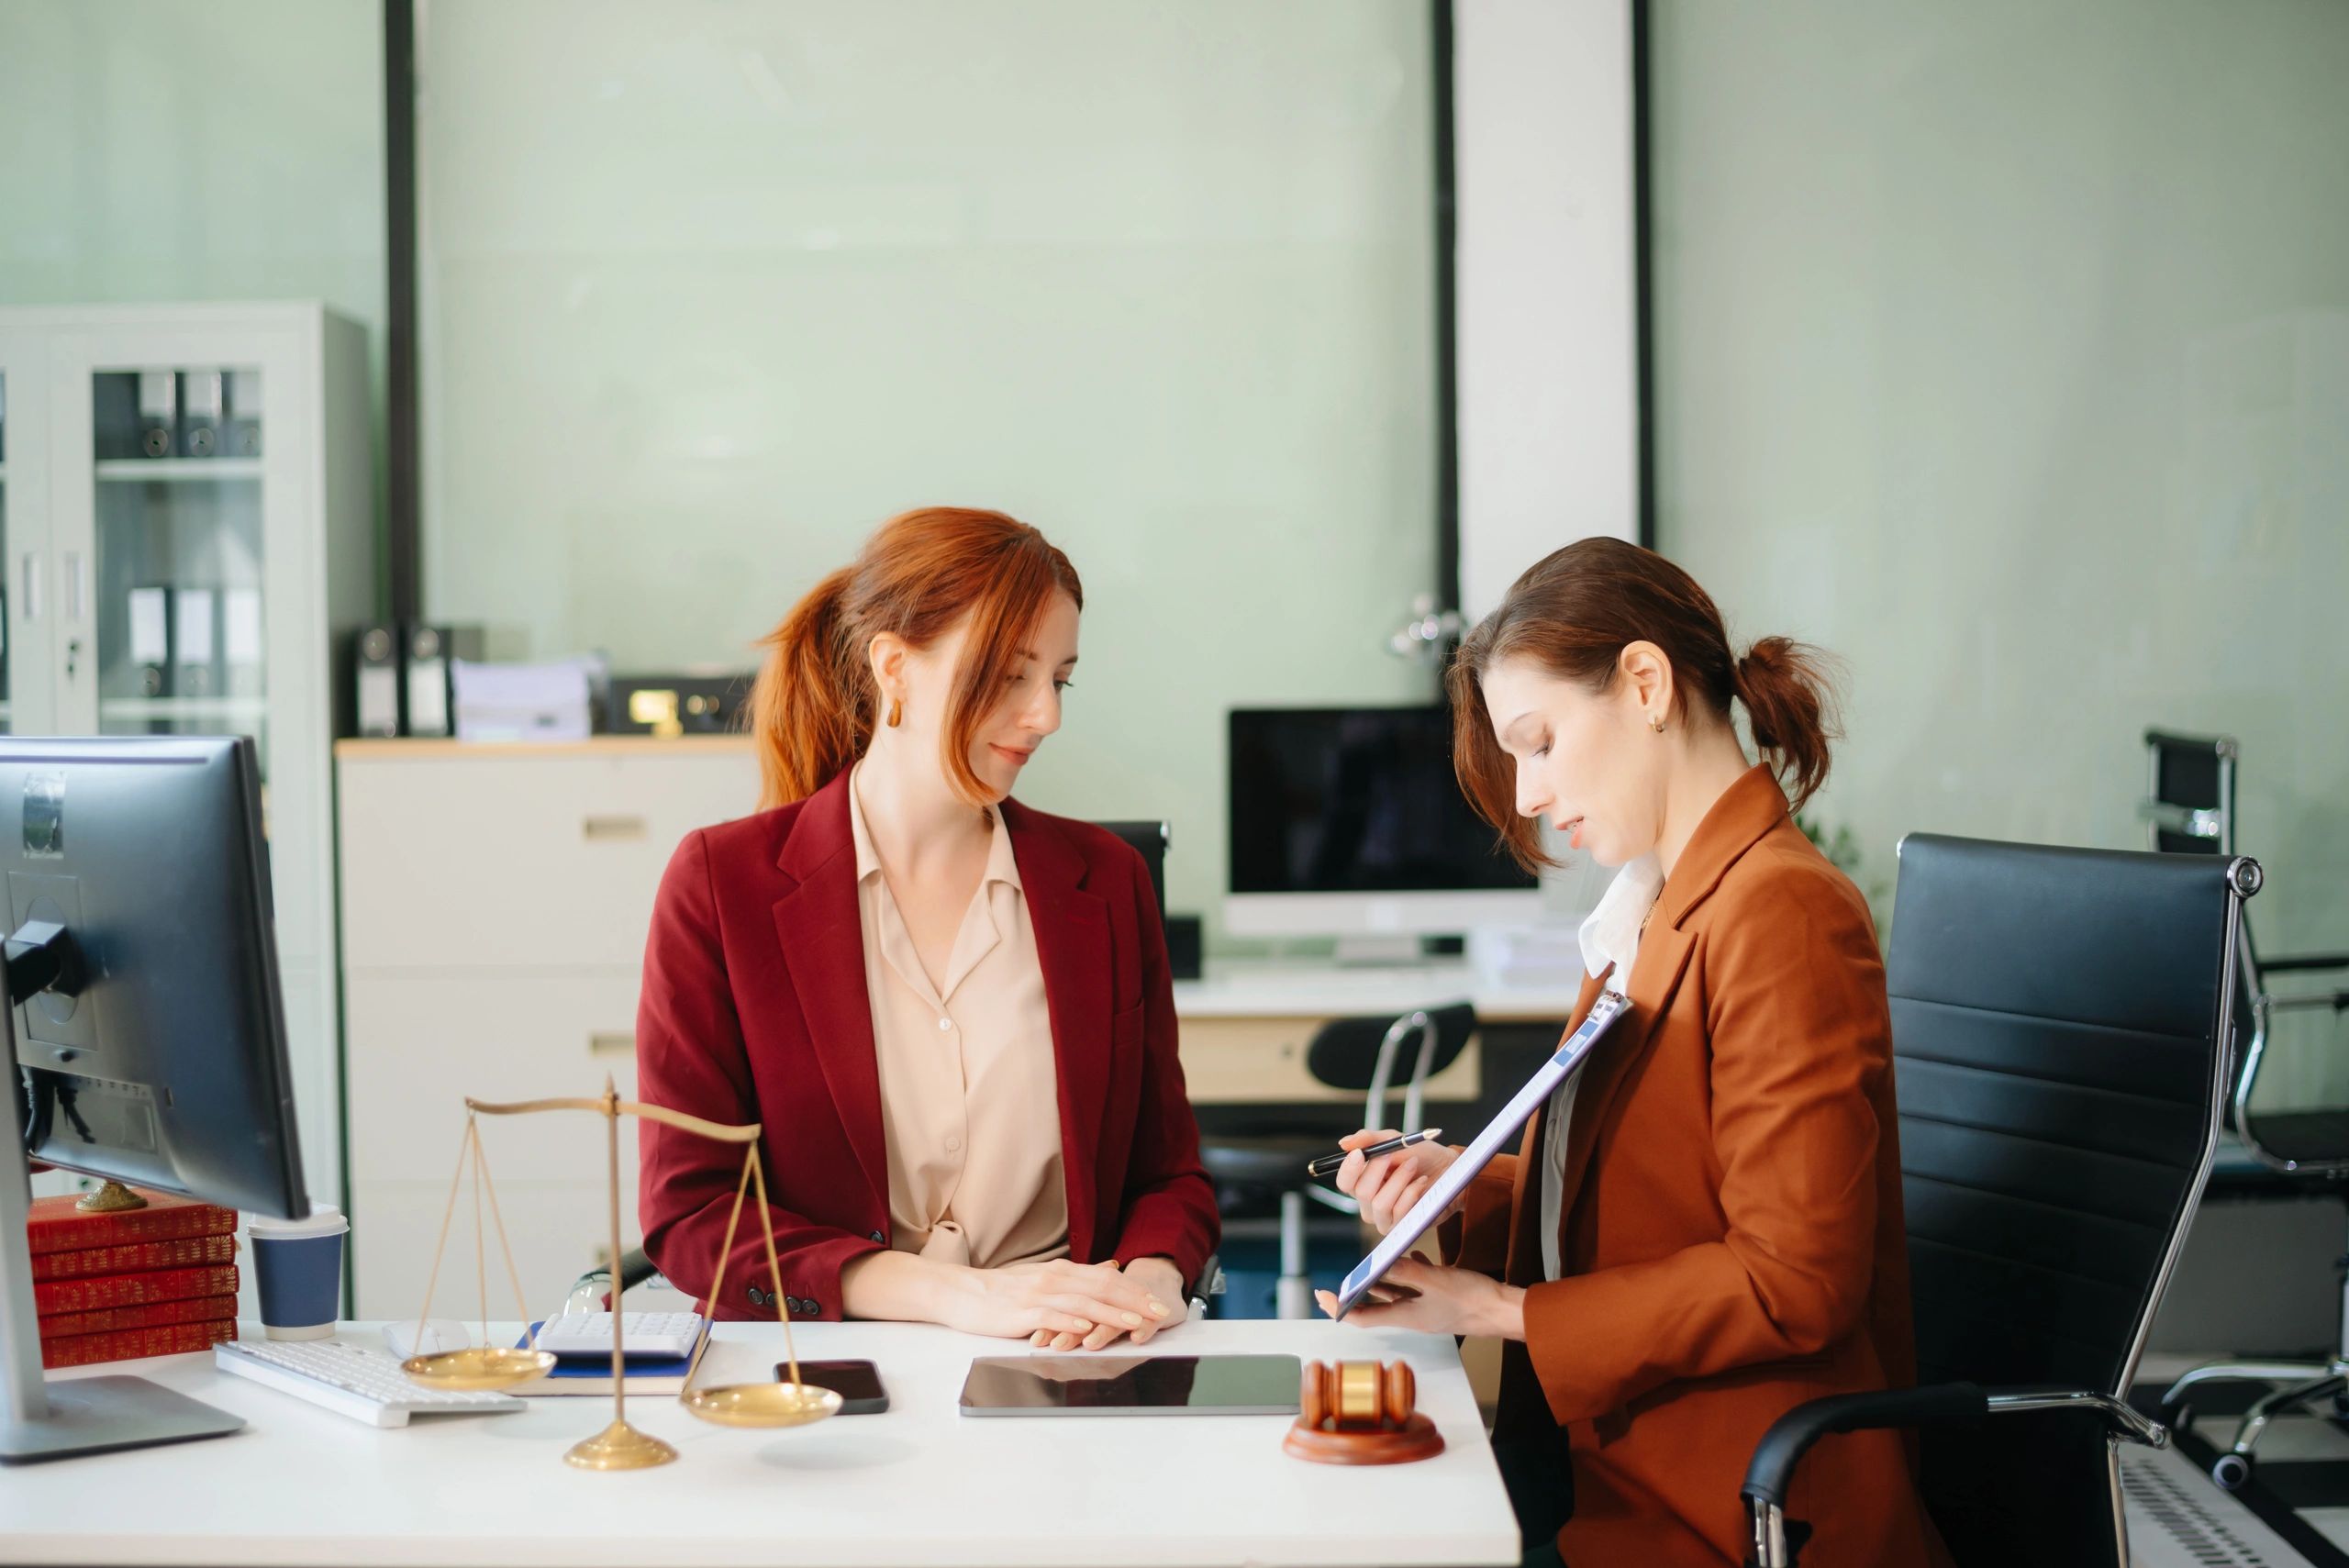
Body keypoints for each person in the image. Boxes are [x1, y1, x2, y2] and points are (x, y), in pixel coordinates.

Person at [1324, 538, 1944, 1567]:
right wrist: (1465, 1187)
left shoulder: (1779, 909)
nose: (1525, 794)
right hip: (1623, 1470)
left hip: (1732, 1505)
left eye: (1539, 741)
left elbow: (1794, 1276)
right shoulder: (1659, 905)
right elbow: (1653, 1201)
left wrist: (1499, 1307)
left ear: (1645, 683)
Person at [636, 506, 1218, 1353]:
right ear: (894, 668)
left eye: (1059, 679)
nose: (1045, 716)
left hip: (1069, 1358)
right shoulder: (722, 885)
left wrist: (1151, 1277)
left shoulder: (1106, 882)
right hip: (826, 1370)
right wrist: (954, 1298)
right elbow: (692, 1214)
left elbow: (1168, 1177)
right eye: (1011, 675)